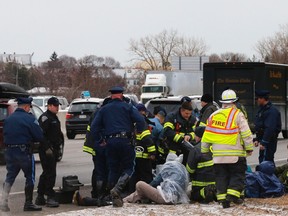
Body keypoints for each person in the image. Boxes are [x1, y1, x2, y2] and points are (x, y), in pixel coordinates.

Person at [91, 86, 145, 207]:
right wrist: (139, 132)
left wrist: (100, 140)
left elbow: (94, 127)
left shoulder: (104, 109)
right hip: (126, 142)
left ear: (111, 96)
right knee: (129, 168)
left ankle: (111, 196)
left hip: (110, 142)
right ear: (121, 95)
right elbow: (141, 120)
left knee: (113, 169)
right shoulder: (128, 107)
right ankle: (117, 190)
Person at [201, 89, 254, 208]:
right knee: (237, 175)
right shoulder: (238, 114)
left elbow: (207, 135)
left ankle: (222, 199)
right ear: (234, 102)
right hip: (235, 154)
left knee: (221, 177)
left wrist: (204, 150)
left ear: (222, 102)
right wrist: (249, 148)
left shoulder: (213, 116)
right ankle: (231, 197)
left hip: (218, 156)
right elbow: (246, 133)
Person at [0, 97, 43, 212]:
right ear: (26, 106)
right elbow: (39, 136)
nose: (29, 109)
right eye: (29, 107)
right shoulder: (29, 118)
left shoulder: (8, 119)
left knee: (10, 177)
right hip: (24, 152)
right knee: (30, 177)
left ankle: (3, 203)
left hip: (9, 151)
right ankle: (28, 203)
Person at [123, 153, 189, 204]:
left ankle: (125, 200)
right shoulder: (181, 169)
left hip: (166, 198)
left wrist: (146, 189)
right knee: (143, 192)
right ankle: (132, 199)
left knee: (140, 185)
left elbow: (154, 183)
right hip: (177, 199)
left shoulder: (168, 167)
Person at [35, 97, 63, 208]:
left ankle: (40, 196)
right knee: (50, 173)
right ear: (49, 106)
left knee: (47, 173)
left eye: (58, 106)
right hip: (47, 150)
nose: (57, 108)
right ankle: (49, 196)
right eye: (55, 106)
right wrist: (47, 148)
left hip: (53, 149)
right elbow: (40, 135)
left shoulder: (53, 117)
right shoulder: (45, 118)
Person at [82, 97, 111, 206]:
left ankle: (97, 194)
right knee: (107, 171)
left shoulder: (96, 113)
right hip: (105, 146)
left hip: (96, 146)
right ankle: (104, 194)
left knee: (98, 171)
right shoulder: (107, 114)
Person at [129, 103, 156, 192]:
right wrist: (152, 153)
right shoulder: (142, 122)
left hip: (133, 156)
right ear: (142, 112)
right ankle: (148, 194)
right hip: (144, 157)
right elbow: (147, 139)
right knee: (147, 177)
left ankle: (133, 193)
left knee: (134, 176)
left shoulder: (131, 121)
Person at [186, 126, 216, 204]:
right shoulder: (216, 146)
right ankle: (215, 192)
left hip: (200, 183)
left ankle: (205, 191)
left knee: (194, 196)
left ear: (198, 137)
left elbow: (190, 169)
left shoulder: (196, 149)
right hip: (217, 182)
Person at [254, 90, 281, 164]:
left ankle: (270, 175)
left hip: (269, 140)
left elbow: (269, 128)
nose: (257, 100)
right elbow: (260, 125)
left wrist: (264, 142)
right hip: (264, 139)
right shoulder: (262, 109)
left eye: (258, 98)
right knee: (263, 159)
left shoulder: (271, 111)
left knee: (266, 162)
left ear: (262, 99)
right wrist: (257, 138)